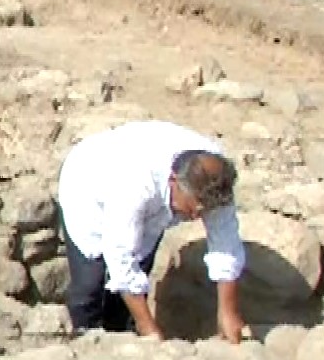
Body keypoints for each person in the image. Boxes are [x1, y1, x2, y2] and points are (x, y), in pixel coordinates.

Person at [55, 119, 247, 343]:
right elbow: (121, 257)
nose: (196, 217)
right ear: (174, 181)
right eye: (192, 209)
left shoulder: (215, 179)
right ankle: (82, 342)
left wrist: (228, 312)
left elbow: (226, 246)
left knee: (128, 297)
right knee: (89, 286)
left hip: (148, 209)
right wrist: (152, 332)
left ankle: (122, 339)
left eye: (202, 212)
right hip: (88, 186)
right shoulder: (135, 183)